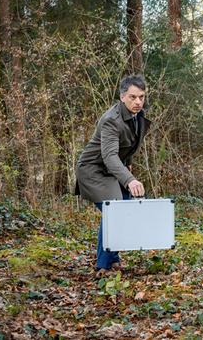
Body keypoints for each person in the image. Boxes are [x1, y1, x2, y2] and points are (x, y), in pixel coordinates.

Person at [75, 74, 150, 275]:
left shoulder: (138, 116)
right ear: (122, 97)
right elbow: (109, 155)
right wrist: (129, 179)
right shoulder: (111, 120)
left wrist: (128, 165)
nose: (138, 102)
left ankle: (113, 259)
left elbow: (128, 146)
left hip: (113, 170)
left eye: (141, 97)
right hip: (93, 170)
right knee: (115, 211)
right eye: (133, 97)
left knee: (124, 210)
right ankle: (104, 265)